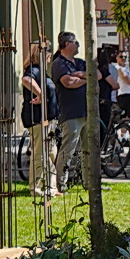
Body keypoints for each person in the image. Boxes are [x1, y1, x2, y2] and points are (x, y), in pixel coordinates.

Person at [20, 40, 58, 196]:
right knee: (40, 153)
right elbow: (26, 80)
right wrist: (40, 94)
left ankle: (51, 187)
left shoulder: (42, 72)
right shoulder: (33, 70)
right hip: (37, 118)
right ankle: (36, 188)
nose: (50, 56)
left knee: (50, 152)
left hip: (49, 118)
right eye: (48, 52)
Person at [50, 33, 88, 186]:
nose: (78, 45)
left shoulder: (79, 62)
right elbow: (68, 82)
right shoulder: (59, 63)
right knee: (68, 149)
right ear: (66, 44)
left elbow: (97, 75)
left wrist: (83, 76)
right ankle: (61, 183)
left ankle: (89, 182)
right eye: (75, 42)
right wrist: (87, 79)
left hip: (86, 112)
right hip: (71, 112)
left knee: (89, 149)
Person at [110, 47, 130, 122]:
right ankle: (123, 130)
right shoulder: (118, 68)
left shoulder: (126, 69)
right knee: (125, 118)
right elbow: (128, 81)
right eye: (121, 56)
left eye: (125, 57)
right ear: (117, 58)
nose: (123, 58)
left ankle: (124, 129)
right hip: (123, 95)